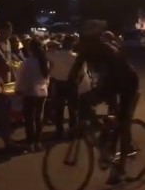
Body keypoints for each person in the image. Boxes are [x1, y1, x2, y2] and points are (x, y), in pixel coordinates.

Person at [68, 20, 140, 185]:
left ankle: (120, 167)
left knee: (123, 123)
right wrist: (67, 89)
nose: (85, 43)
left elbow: (113, 77)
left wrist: (107, 96)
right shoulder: (85, 50)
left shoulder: (109, 50)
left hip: (127, 83)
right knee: (84, 100)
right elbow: (74, 71)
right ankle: (104, 133)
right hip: (110, 83)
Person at [15, 39, 50, 152]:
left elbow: (23, 78)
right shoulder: (44, 61)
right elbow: (46, 79)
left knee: (29, 119)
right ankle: (37, 142)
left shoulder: (28, 62)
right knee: (38, 118)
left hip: (30, 93)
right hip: (42, 92)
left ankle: (30, 142)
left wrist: (18, 89)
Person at [46, 35, 78, 139]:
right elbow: (82, 72)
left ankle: (59, 131)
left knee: (59, 109)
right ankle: (73, 131)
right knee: (73, 110)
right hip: (72, 84)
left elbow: (44, 53)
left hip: (58, 84)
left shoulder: (55, 55)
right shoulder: (76, 57)